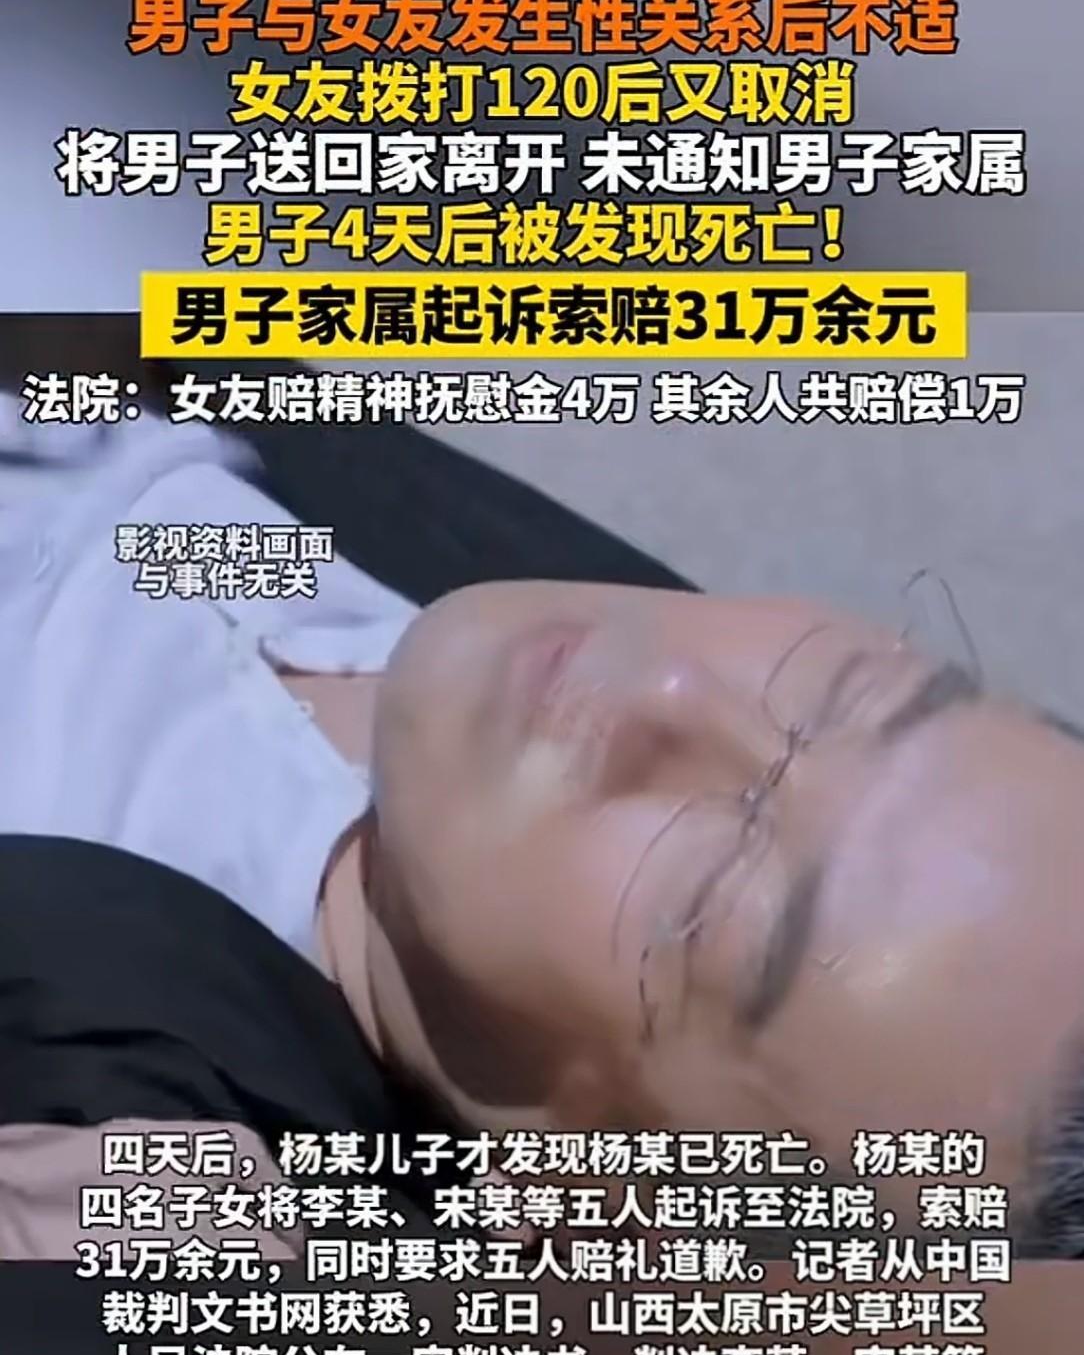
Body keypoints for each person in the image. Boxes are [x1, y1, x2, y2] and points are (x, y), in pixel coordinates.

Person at [2, 371, 1084, 1256]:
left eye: (706, 894)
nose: (672, 694)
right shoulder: (466, 647)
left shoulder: (108, 1089)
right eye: (846, 696)